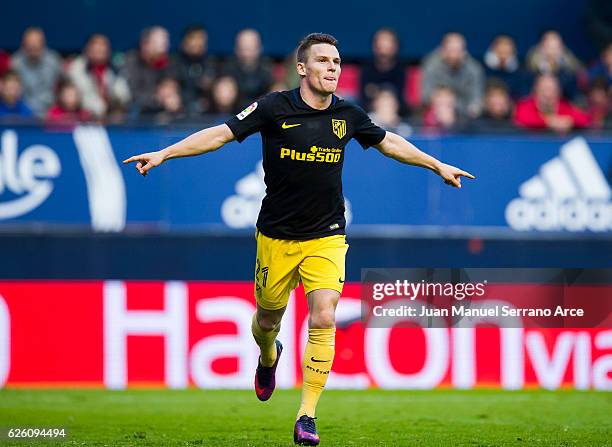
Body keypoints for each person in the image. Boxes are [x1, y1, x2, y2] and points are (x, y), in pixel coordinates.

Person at [123, 33, 474, 446]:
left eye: (338, 62)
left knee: (324, 316)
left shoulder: (348, 115)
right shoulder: (274, 107)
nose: (333, 68)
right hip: (276, 236)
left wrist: (436, 165)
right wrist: (164, 154)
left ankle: (307, 415)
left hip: (326, 235)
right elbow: (219, 134)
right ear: (302, 68)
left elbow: (390, 143)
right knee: (267, 319)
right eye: (323, 60)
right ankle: (268, 356)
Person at [67, 33, 131, 119]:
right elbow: (79, 97)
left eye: (103, 49)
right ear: (87, 50)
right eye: (96, 49)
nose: (100, 52)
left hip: (112, 117)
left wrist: (115, 105)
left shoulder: (116, 69)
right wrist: (101, 111)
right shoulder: (76, 68)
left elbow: (123, 95)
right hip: (85, 117)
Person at [421, 32, 484, 118]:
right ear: (442, 50)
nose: (454, 55)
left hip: (464, 115)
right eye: (451, 50)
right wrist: (442, 104)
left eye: (458, 51)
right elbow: (426, 96)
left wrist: (456, 106)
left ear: (464, 52)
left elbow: (476, 100)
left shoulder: (474, 69)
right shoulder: (431, 66)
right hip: (435, 112)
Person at [121, 26, 174, 114]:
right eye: (162, 45)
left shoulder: (165, 62)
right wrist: (158, 98)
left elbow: (169, 86)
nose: (166, 47)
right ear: (145, 44)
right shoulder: (130, 62)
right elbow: (131, 96)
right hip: (131, 119)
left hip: (156, 116)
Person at [11, 27, 62, 117]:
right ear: (24, 44)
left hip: (50, 113)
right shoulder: (15, 63)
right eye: (30, 43)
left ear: (43, 43)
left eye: (36, 42)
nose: (33, 45)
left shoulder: (53, 60)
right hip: (22, 114)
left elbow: (63, 86)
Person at [515, 74, 591, 132]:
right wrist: (549, 122)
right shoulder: (525, 106)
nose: (548, 94)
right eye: (544, 90)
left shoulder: (564, 106)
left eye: (552, 90)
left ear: (558, 92)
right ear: (535, 91)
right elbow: (521, 118)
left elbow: (585, 119)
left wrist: (570, 121)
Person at [171, 24, 217, 115]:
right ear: (184, 42)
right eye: (194, 38)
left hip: (208, 114)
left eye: (202, 39)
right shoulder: (173, 63)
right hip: (178, 113)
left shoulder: (211, 63)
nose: (198, 43)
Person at [525, 30, 582, 100]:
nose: (553, 50)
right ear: (541, 47)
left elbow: (579, 72)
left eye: (557, 45)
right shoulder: (532, 64)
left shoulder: (569, 63)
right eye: (550, 45)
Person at [223, 29, 273, 107]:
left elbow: (273, 88)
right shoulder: (229, 67)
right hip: (234, 109)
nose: (246, 54)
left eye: (250, 49)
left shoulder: (266, 66)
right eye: (243, 49)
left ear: (259, 48)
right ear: (236, 49)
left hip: (261, 109)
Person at [360, 28, 406, 112]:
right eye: (380, 46)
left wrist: (378, 92)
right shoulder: (367, 68)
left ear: (395, 47)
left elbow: (401, 97)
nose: (384, 50)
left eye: (388, 46)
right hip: (369, 112)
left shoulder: (401, 69)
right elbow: (364, 95)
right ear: (374, 47)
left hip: (397, 113)